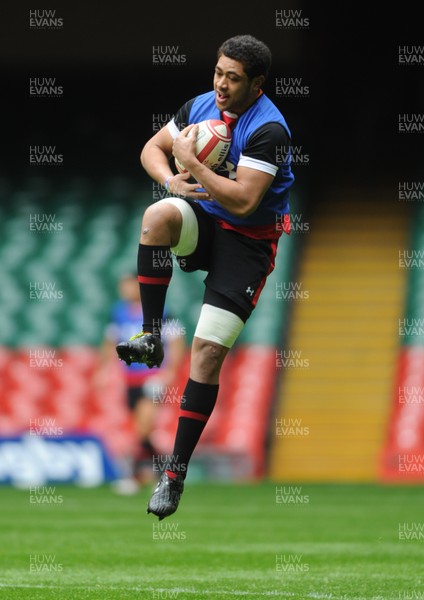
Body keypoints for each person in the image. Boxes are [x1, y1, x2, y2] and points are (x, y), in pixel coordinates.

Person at [116, 34, 294, 518]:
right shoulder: (198, 105)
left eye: (233, 78)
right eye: (218, 72)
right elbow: (152, 149)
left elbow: (243, 201)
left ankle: (173, 475)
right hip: (205, 220)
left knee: (207, 352)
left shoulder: (269, 130)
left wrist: (191, 162)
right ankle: (151, 337)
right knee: (157, 217)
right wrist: (171, 179)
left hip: (249, 243)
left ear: (257, 84)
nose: (220, 84)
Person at [97, 272, 186, 493]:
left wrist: (171, 371)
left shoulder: (161, 311)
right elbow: (110, 341)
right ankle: (167, 470)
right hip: (130, 379)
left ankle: (134, 476)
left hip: (153, 377)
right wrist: (103, 369)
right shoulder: (118, 313)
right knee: (142, 430)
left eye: (129, 285)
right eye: (123, 286)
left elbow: (177, 340)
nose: (125, 290)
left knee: (144, 424)